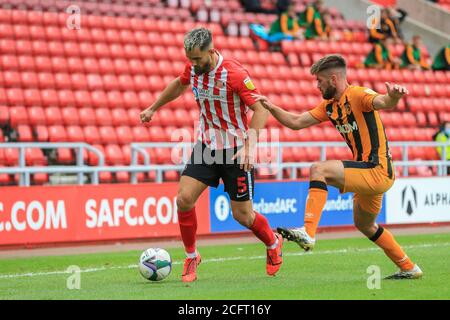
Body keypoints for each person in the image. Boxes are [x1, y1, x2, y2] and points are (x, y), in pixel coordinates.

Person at [252, 54, 423, 279]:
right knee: (365, 225)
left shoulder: (358, 95)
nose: (317, 86)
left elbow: (383, 102)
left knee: (318, 169)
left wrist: (393, 97)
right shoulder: (330, 106)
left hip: (377, 169)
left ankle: (308, 232)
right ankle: (409, 267)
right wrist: (271, 107)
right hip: (368, 175)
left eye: (320, 81)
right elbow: (296, 122)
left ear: (333, 79)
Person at [139, 28, 283, 283]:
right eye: (189, 59)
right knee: (183, 199)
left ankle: (273, 243)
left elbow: (261, 110)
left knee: (242, 215)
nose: (193, 64)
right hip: (206, 147)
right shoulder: (193, 69)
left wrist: (250, 146)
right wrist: (154, 107)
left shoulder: (235, 73)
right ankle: (192, 255)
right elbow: (178, 84)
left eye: (197, 59)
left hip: (236, 150)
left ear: (210, 50)